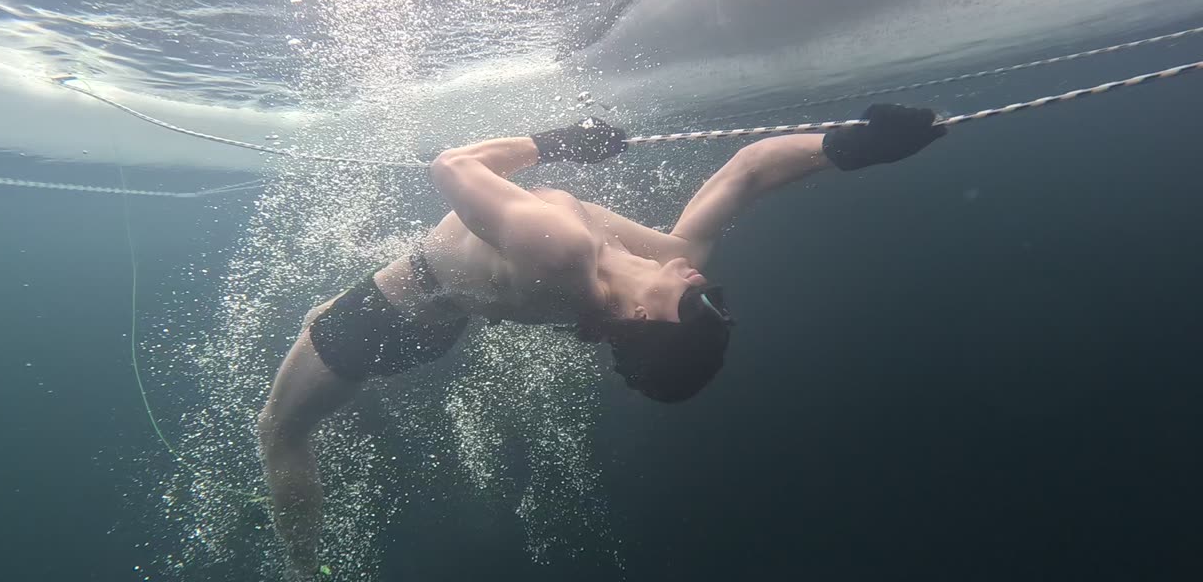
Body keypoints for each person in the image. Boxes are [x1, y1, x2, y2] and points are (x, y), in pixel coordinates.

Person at [258, 103, 945, 577]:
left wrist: (553, 142)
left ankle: (304, 570)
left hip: (397, 314)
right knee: (321, 342)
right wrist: (851, 147)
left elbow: (451, 167)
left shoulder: (558, 252)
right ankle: (331, 364)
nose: (705, 279)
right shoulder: (668, 256)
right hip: (445, 308)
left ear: (645, 321)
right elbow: (750, 171)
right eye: (716, 299)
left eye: (697, 302)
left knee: (279, 431)